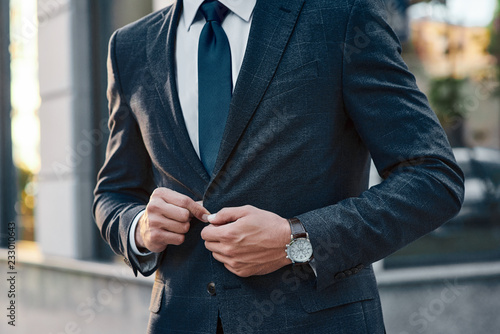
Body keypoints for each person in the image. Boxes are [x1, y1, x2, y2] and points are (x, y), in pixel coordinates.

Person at [93, 0, 464, 333]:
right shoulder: (130, 46)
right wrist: (139, 228)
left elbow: (433, 177)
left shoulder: (342, 15)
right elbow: (113, 193)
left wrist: (297, 240)